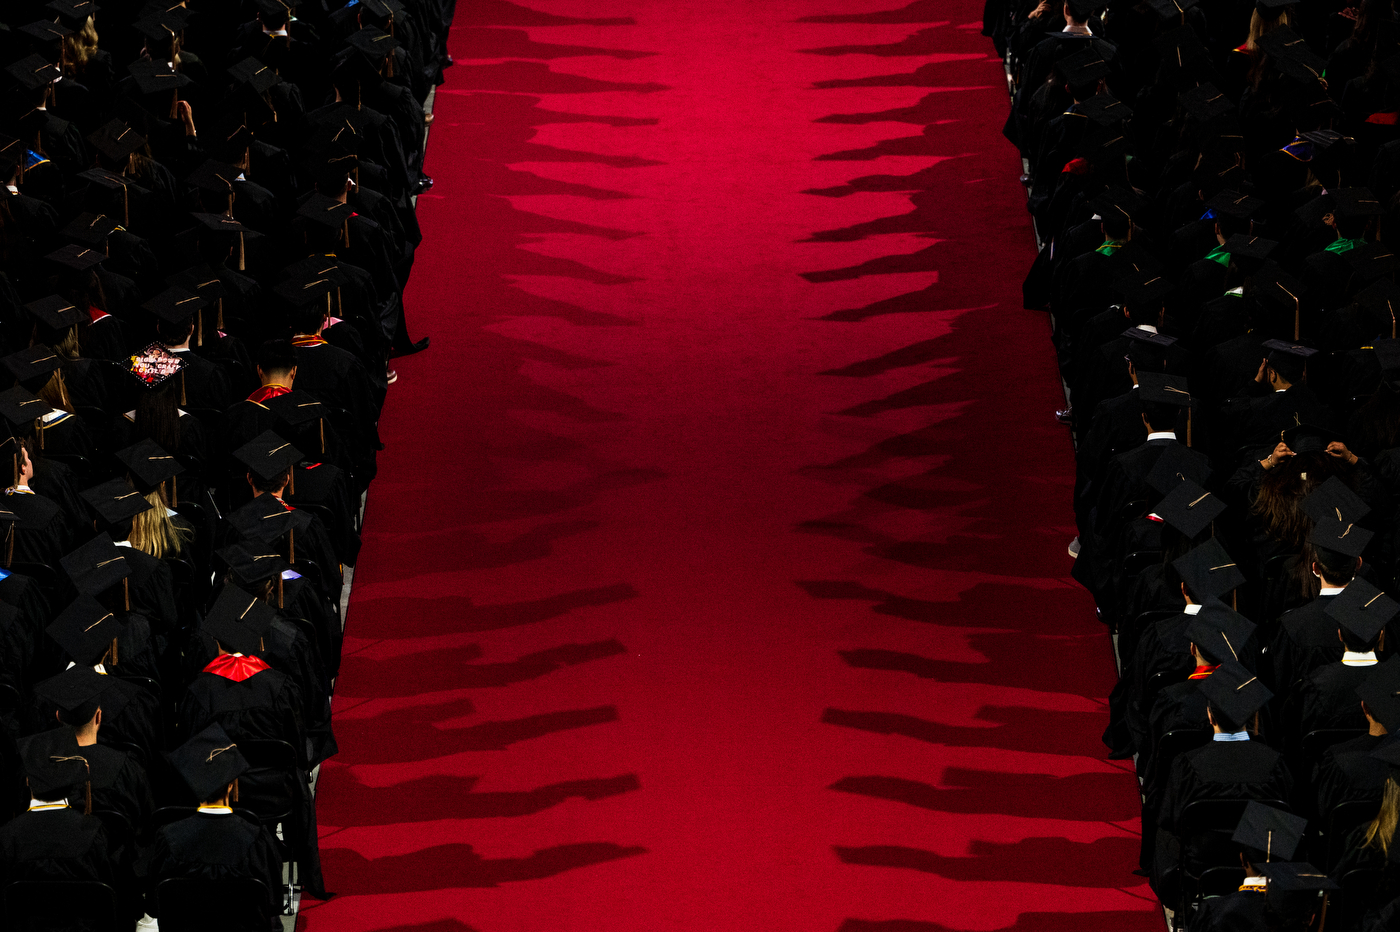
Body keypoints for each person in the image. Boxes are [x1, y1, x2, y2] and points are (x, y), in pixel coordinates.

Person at [146, 723, 282, 927]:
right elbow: (272, 903)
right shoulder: (255, 838)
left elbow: (154, 907)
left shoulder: (169, 838)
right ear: (230, 786)